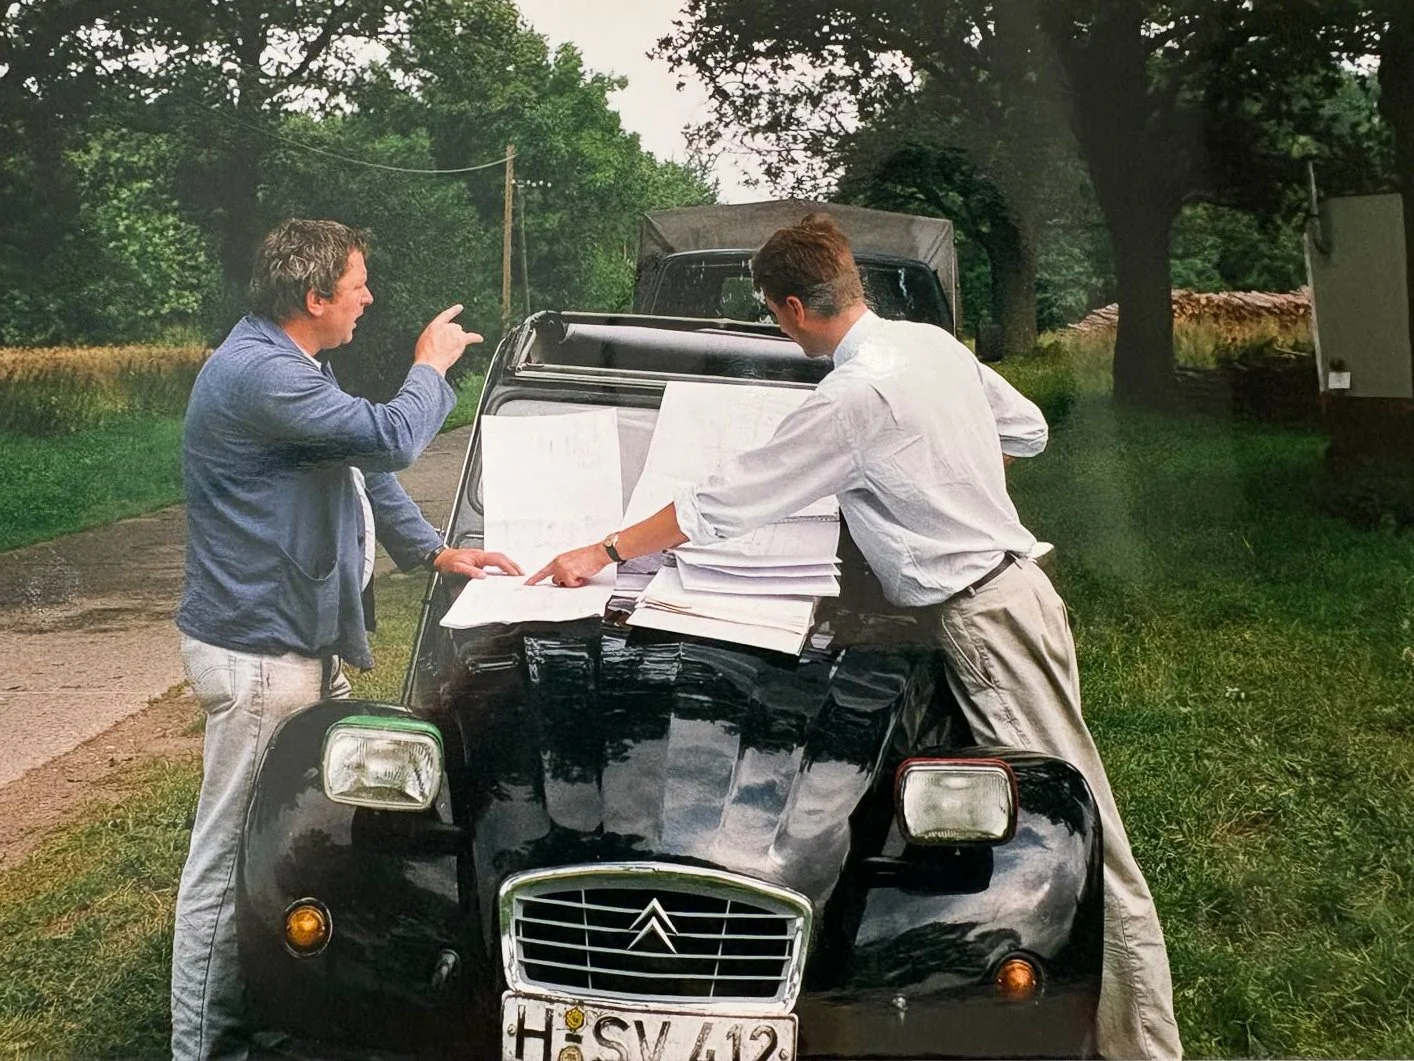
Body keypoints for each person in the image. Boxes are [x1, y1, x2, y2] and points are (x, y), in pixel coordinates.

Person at [528, 213, 1183, 1060]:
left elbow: (719, 505)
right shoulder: (929, 347)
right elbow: (1026, 430)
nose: (777, 326)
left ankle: (1144, 1048)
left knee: (1084, 835)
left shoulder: (852, 396)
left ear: (795, 307)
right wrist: (940, 484)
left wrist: (606, 548)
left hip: (984, 616)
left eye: (772, 313)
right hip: (1013, 598)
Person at [172, 218, 520, 1061]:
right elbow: (396, 433)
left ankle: (280, 1007)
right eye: (357, 284)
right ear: (314, 296)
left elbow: (363, 464)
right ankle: (204, 1048)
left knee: (299, 842)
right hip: (262, 655)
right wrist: (431, 366)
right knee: (228, 865)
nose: (368, 297)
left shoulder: (292, 366)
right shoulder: (258, 374)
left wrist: (433, 549)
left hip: (291, 646)